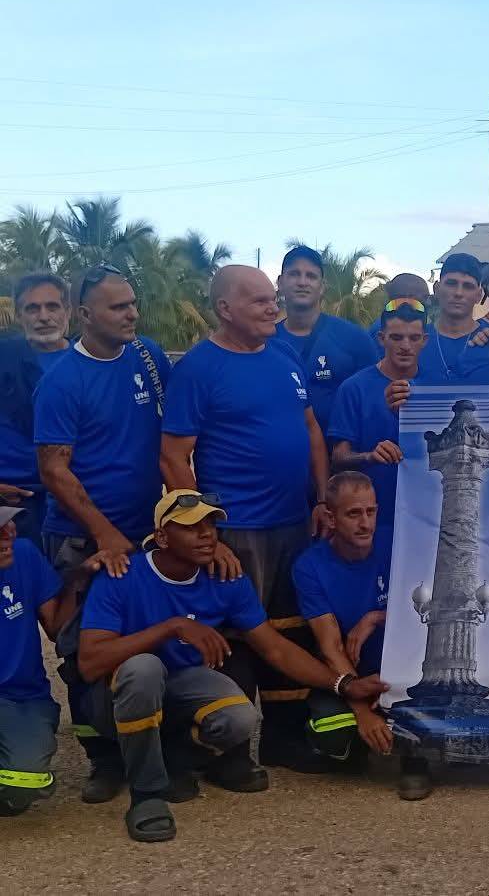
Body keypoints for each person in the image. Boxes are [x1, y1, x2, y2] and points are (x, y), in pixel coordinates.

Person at [77, 490, 387, 842]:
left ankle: (173, 754)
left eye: (211, 524)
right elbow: (90, 663)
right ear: (162, 537)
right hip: (117, 698)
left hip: (179, 686)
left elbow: (277, 650)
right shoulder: (124, 573)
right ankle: (147, 795)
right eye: (192, 526)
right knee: (144, 669)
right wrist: (172, 627)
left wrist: (344, 685)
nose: (207, 533)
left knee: (241, 719)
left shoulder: (224, 576)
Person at [161, 265, 331, 771]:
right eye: (258, 301)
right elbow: (174, 458)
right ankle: (229, 752)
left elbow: (310, 428)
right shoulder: (198, 368)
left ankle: (283, 739)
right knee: (236, 636)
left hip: (293, 521)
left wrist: (320, 498)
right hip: (237, 528)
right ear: (225, 310)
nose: (273, 307)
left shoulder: (282, 353)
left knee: (291, 626)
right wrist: (205, 535)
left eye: (271, 298)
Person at [34, 263, 173, 803]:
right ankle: (103, 760)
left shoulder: (147, 356)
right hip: (80, 539)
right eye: (118, 307)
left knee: (143, 641)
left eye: (133, 303)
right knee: (82, 653)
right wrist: (105, 533)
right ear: (86, 315)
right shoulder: (62, 381)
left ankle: (152, 744)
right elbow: (54, 469)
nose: (131, 313)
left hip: (143, 533)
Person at [293, 472, 431, 799]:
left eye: (370, 511)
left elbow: (428, 610)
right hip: (351, 674)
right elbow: (329, 645)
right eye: (353, 514)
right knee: (335, 734)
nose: (365, 523)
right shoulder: (309, 566)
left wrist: (375, 617)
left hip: (401, 667)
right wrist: (361, 708)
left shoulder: (396, 541)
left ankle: (416, 762)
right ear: (330, 516)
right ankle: (364, 741)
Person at [0, 505, 111, 816]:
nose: (9, 533)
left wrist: (79, 577)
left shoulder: (23, 554)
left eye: (9, 523)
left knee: (24, 781)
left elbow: (55, 627)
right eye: (0, 528)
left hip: (20, 697)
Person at [331, 302, 429, 557]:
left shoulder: (439, 388)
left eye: (413, 338)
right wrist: (369, 456)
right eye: (396, 337)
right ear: (381, 338)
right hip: (372, 521)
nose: (405, 346)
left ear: (425, 340)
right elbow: (339, 456)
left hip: (426, 516)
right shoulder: (354, 388)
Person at [274, 245, 380, 433]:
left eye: (311, 276)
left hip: (341, 455)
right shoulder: (264, 342)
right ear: (280, 282)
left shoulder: (355, 339)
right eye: (294, 274)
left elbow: (374, 398)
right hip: (283, 453)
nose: (302, 282)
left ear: (322, 287)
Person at [0, 272, 71, 544]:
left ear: (68, 311)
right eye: (32, 308)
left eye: (52, 306)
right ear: (19, 315)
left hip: (77, 502)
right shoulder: (4, 359)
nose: (43, 316)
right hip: (15, 501)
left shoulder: (90, 361)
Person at [416, 252, 485, 381]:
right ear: (436, 289)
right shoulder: (414, 340)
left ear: (479, 295)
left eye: (468, 286)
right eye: (451, 283)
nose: (458, 293)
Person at [367, 273, 431, 346]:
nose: (428, 303)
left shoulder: (385, 324)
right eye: (425, 297)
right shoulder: (384, 329)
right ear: (407, 298)